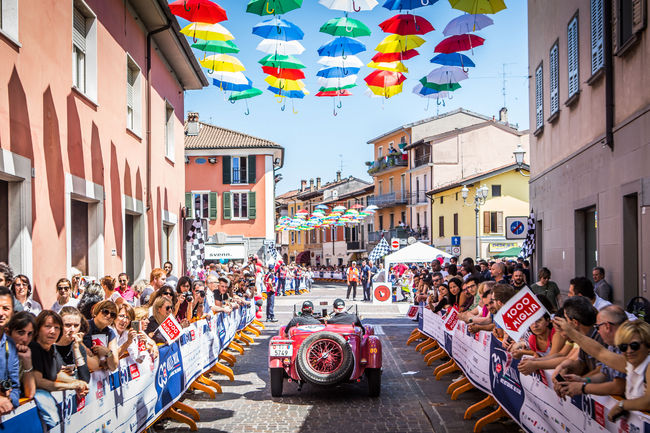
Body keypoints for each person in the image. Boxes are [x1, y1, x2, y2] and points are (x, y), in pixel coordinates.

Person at [554, 317, 650, 421]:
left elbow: (647, 401)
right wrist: (570, 332)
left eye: (634, 345)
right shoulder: (629, 363)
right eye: (623, 347)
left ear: (648, 345)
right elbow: (599, 352)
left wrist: (622, 404)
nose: (629, 351)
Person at [552, 305, 627, 398]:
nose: (598, 331)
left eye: (598, 326)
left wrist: (583, 388)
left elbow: (618, 387)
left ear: (607, 326)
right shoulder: (612, 345)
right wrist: (583, 380)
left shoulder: (627, 346)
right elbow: (604, 375)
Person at [30, 310, 89, 429]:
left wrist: (77, 383)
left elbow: (56, 374)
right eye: (48, 326)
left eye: (57, 328)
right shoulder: (34, 347)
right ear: (38, 328)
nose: (53, 331)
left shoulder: (49, 347)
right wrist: (73, 385)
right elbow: (38, 381)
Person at [55, 307, 91, 382]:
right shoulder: (49, 346)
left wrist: (76, 350)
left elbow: (85, 379)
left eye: (76, 325)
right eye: (67, 325)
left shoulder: (78, 347)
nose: (72, 330)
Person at [6, 312, 36, 399]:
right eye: (20, 333)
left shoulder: (25, 353)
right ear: (8, 333)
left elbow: (30, 393)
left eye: (29, 334)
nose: (25, 339)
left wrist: (27, 362)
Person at [82, 300, 119, 371]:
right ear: (97, 311)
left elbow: (113, 367)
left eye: (113, 315)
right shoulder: (83, 326)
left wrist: (108, 353)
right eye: (105, 311)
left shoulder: (110, 333)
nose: (108, 316)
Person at [0, 286, 20, 415]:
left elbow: (15, 388)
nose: (1, 313)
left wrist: (9, 399)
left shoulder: (10, 344)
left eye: (6, 308)